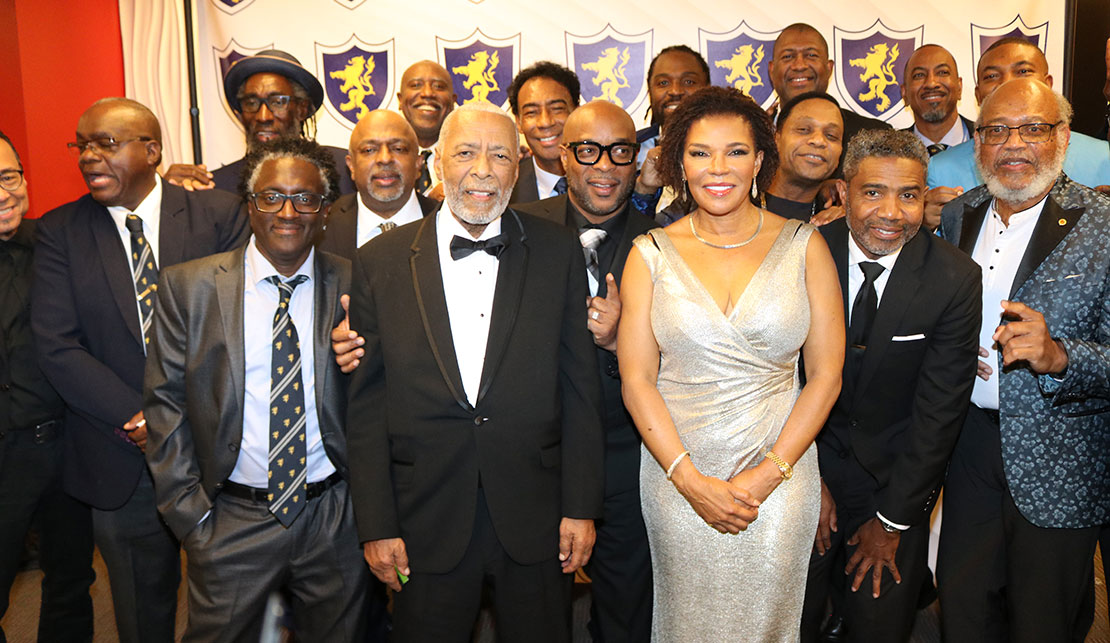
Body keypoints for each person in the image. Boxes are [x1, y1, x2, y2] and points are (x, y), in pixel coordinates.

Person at [345, 102, 605, 642]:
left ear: (521, 165)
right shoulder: (380, 261)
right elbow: (367, 407)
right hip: (425, 517)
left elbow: (579, 388)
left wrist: (581, 507)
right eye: (466, 152)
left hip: (538, 515)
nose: (483, 169)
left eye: (500, 155)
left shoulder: (558, 251)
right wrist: (377, 524)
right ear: (437, 162)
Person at [618, 86, 844, 640]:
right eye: (699, 153)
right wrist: (689, 480)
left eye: (735, 152)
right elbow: (636, 379)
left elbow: (826, 376)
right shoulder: (649, 253)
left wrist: (769, 473)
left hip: (781, 473)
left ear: (760, 161)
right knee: (686, 622)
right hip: (677, 473)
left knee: (770, 624)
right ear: (679, 164)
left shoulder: (804, 245)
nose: (717, 168)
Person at [31, 97, 249, 643]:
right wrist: (139, 413)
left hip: (215, 449)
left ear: (152, 150)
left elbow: (237, 325)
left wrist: (179, 413)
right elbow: (58, 345)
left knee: (232, 603)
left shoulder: (218, 214)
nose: (88, 157)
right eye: (81, 145)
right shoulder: (60, 231)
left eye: (106, 143)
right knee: (139, 610)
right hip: (118, 451)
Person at [143, 138, 368, 642]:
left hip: (334, 517)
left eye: (305, 199)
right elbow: (165, 404)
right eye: (271, 197)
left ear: (325, 211)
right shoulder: (189, 287)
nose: (288, 212)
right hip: (230, 518)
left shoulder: (357, 284)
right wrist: (191, 514)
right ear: (249, 205)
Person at [936, 78, 1110, 643]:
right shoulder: (956, 216)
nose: (1014, 144)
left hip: (1062, 461)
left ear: (1062, 136)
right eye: (996, 130)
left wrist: (1061, 357)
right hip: (966, 453)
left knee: (1044, 624)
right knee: (963, 613)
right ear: (978, 142)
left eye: (1032, 128)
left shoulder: (1103, 224)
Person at [799, 129, 981, 643]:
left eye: (909, 195)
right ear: (842, 192)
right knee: (789, 622)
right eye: (873, 192)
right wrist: (805, 480)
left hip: (895, 485)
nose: (891, 212)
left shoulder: (954, 277)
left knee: (879, 626)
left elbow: (940, 412)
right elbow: (779, 377)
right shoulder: (802, 253)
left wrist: (894, 521)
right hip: (804, 469)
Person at [515, 101, 657, 643]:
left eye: (620, 150)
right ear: (562, 156)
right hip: (536, 460)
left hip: (632, 460)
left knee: (627, 615)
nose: (605, 165)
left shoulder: (668, 244)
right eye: (587, 150)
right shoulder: (518, 231)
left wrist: (625, 343)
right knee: (535, 614)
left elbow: (696, 366)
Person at [0, 131, 95, 643]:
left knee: (71, 581)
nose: (2, 193)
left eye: (8, 176)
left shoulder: (57, 245)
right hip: (3, 456)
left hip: (66, 445)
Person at [926, 38, 1110, 195]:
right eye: (991, 76)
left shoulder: (1104, 156)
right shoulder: (942, 169)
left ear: (1048, 84)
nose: (1008, 82)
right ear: (978, 95)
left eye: (1023, 71)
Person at [163, 50, 355, 195]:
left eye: (278, 102)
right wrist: (166, 195)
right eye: (251, 102)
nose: (263, 116)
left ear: (302, 109)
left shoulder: (345, 172)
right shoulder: (215, 186)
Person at [318, 109, 438, 261]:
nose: (385, 159)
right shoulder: (322, 225)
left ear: (418, 163)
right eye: (369, 150)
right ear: (351, 166)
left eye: (398, 148)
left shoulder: (446, 222)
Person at [768, 24, 890, 173]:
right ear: (772, 70)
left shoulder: (874, 136)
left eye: (811, 55)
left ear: (829, 68)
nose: (799, 65)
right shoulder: (753, 131)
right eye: (788, 56)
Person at [630, 46, 710, 217]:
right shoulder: (630, 149)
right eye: (663, 83)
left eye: (688, 82)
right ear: (649, 90)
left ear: (707, 87)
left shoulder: (727, 149)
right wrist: (643, 190)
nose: (675, 91)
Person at [507, 62, 581, 204]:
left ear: (577, 112)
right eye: (531, 112)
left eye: (557, 109)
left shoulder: (606, 178)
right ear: (518, 122)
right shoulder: (506, 190)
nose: (546, 122)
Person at [766, 92, 845, 223]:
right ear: (776, 139)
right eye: (803, 129)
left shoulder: (837, 221)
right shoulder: (735, 205)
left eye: (831, 135)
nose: (819, 141)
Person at [900, 44, 974, 155]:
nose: (931, 83)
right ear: (904, 93)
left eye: (942, 72)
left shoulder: (989, 141)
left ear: (959, 87)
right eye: (919, 75)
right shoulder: (886, 153)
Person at [397, 60, 456, 194]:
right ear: (400, 100)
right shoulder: (384, 159)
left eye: (439, 86)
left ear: (453, 101)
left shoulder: (470, 160)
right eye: (416, 85)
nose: (428, 93)